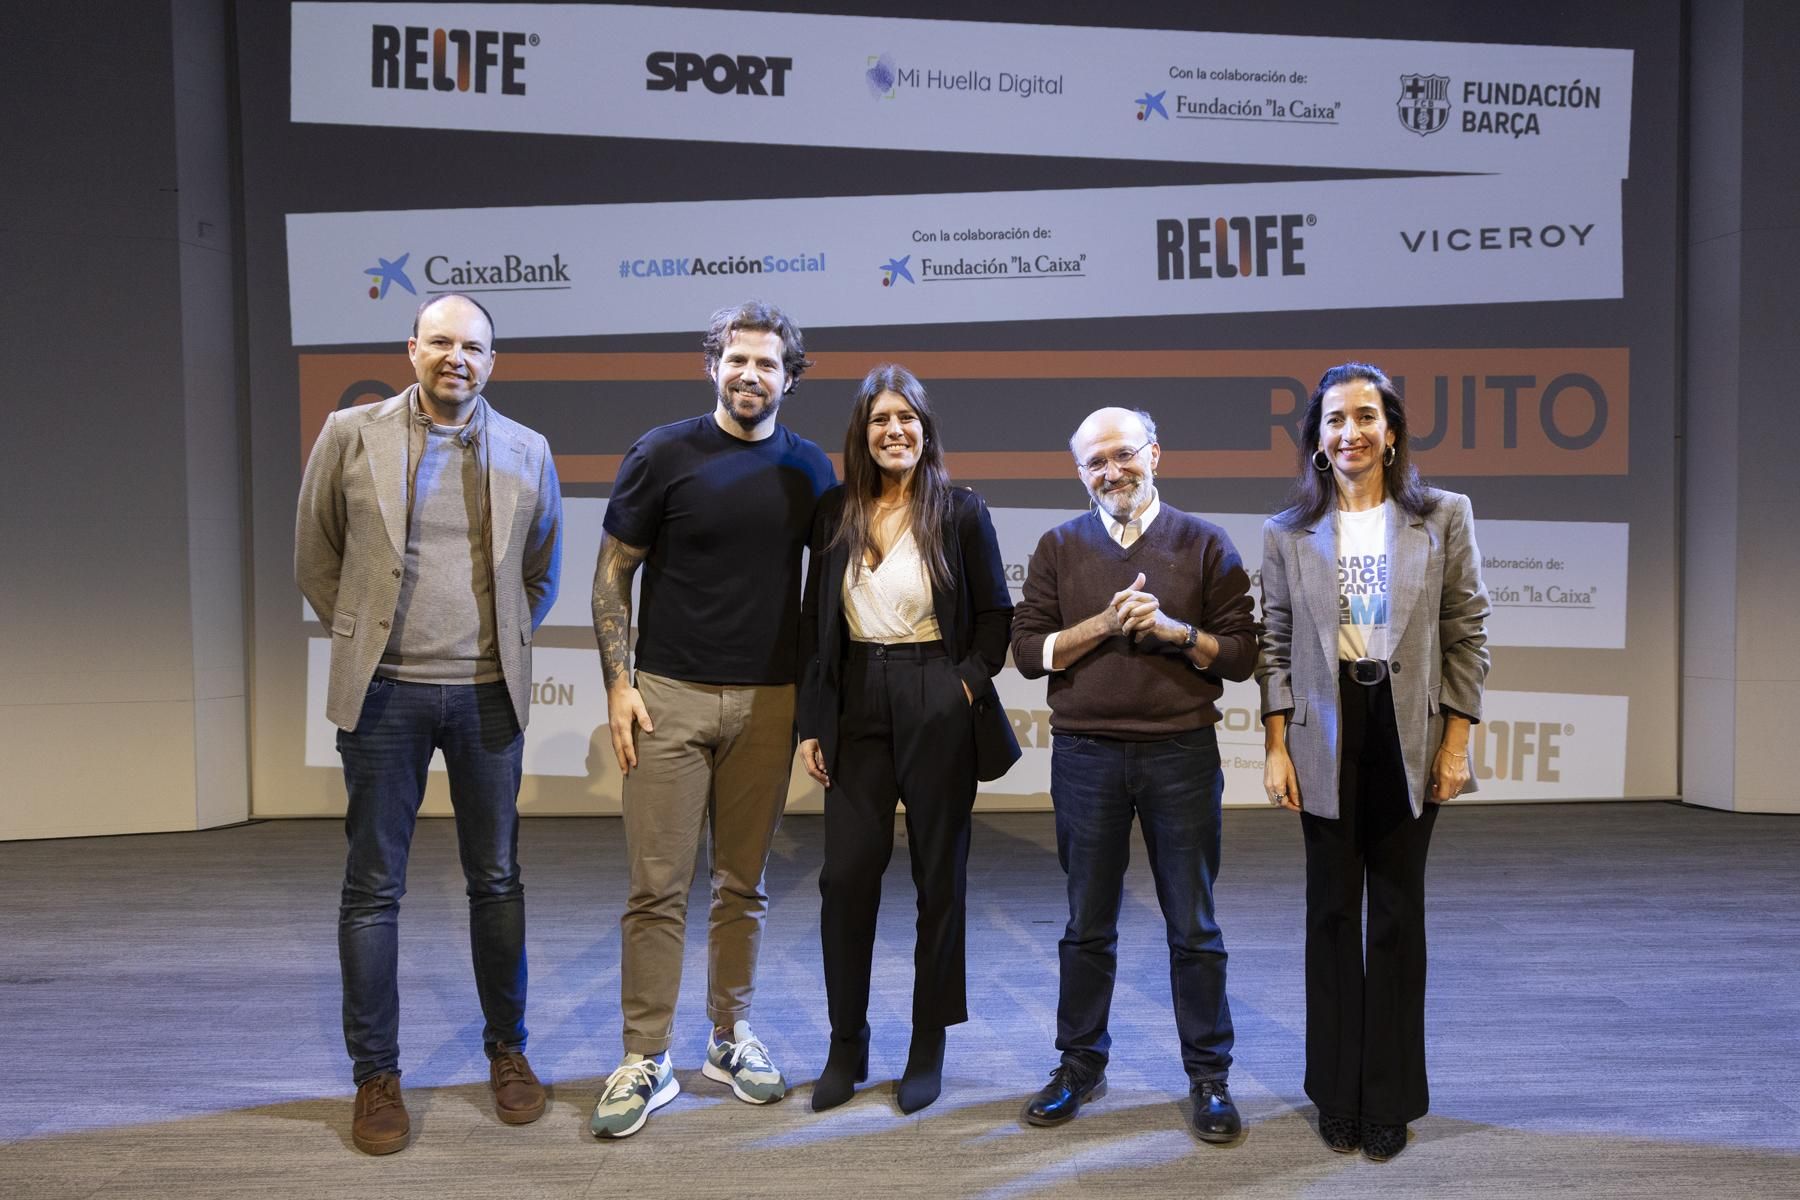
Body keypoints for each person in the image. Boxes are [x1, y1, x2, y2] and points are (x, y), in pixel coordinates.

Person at [295, 293, 564, 1155]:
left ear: (493, 360)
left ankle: (509, 1055)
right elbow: (317, 557)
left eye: (473, 347)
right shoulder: (349, 433)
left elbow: (540, 570)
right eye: (441, 341)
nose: (457, 357)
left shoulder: (528, 449)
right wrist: (367, 639)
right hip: (384, 697)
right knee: (374, 889)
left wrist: (498, 646)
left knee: (498, 879)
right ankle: (376, 1075)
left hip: (489, 695)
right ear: (411, 348)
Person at [588, 300, 835, 1138]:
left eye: (767, 364)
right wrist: (619, 684)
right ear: (713, 365)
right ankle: (646, 1057)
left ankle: (728, 1039)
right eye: (736, 359)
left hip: (769, 703)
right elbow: (612, 574)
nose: (750, 375)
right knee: (656, 888)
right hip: (667, 699)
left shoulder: (811, 471)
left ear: (789, 377)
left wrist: (815, 706)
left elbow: (830, 592)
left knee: (744, 885)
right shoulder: (663, 453)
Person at [1257, 361, 1490, 1162]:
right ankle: (1337, 1092)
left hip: (1407, 729)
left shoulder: (1442, 516)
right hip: (1326, 733)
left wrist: (1457, 743)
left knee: (1396, 917)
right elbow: (1275, 646)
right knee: (1329, 916)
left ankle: (1389, 1097)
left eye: (1364, 416)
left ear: (1391, 430)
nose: (1348, 432)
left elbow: (1467, 633)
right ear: (1317, 440)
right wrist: (1276, 743)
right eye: (1333, 420)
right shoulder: (1288, 532)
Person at [1009, 407, 1257, 1143]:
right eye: (1095, 462)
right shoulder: (1059, 546)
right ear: (1079, 473)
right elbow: (1027, 652)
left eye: (1123, 455)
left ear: (1155, 453)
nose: (1112, 472)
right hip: (1087, 756)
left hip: (1181, 754)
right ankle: (1079, 1066)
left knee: (1194, 924)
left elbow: (1242, 655)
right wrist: (1106, 625)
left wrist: (1175, 633)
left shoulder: (1206, 542)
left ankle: (1209, 1077)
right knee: (1087, 925)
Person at [795, 365, 1014, 1114]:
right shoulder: (833, 513)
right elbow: (813, 627)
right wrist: (813, 722)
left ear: (926, 429)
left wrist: (961, 686)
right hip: (855, 699)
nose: (896, 431)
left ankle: (928, 1042)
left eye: (908, 418)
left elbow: (995, 620)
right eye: (881, 420)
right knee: (845, 878)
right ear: (862, 432)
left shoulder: (960, 511)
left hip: (933, 694)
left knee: (938, 881)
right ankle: (846, 1044)